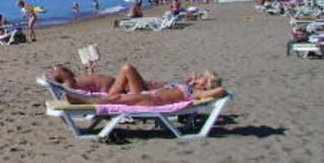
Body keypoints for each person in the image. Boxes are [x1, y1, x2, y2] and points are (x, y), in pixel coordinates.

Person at [88, 63, 227, 107]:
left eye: (205, 78)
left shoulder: (197, 93)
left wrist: (206, 89)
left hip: (154, 100)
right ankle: (88, 101)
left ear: (207, 85)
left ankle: (86, 101)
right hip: (150, 95)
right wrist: (191, 81)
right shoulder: (190, 87)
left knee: (116, 98)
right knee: (126, 72)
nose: (201, 76)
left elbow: (221, 90)